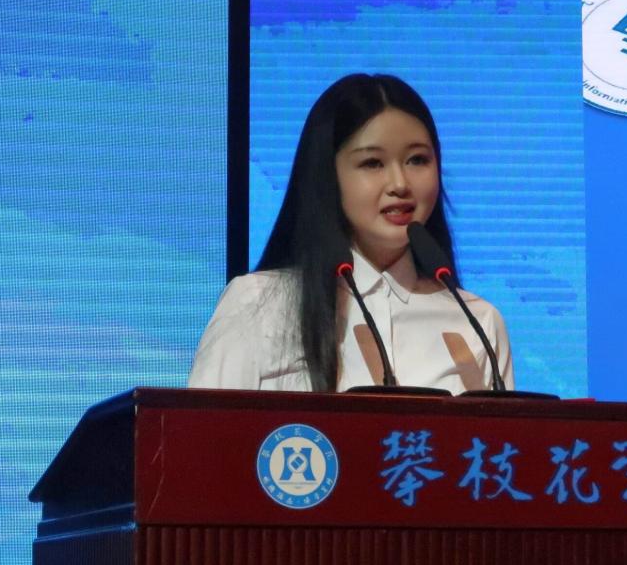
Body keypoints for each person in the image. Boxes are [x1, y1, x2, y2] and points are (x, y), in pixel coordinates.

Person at [188, 73, 513, 394]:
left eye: (417, 160)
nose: (400, 184)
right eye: (373, 163)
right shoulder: (257, 304)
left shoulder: (478, 323)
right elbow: (205, 427)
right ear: (327, 177)